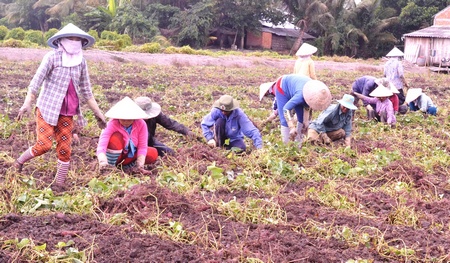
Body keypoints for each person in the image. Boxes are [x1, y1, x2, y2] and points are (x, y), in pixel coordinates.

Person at [14, 23, 106, 189]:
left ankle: (59, 184)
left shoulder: (81, 62)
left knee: (65, 150)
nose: (74, 41)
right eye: (71, 38)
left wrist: (99, 113)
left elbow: (87, 91)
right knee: (44, 145)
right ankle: (19, 161)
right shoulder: (52, 57)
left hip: (67, 112)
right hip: (47, 109)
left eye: (77, 39)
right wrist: (27, 103)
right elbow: (35, 83)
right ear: (61, 40)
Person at [97, 97, 158, 174]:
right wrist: (103, 163)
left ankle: (130, 168)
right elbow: (102, 146)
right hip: (116, 156)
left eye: (129, 119)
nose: (126, 122)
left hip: (129, 157)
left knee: (152, 153)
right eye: (123, 119)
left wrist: (140, 166)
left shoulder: (141, 124)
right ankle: (111, 168)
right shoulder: (111, 124)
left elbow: (142, 146)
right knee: (115, 139)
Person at [274, 74, 332, 146]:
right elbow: (286, 109)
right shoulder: (300, 97)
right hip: (282, 87)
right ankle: (286, 146)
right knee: (285, 120)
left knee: (301, 120)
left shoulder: (314, 93)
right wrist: (291, 127)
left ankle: (298, 145)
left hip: (299, 88)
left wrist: (306, 122)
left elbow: (307, 108)